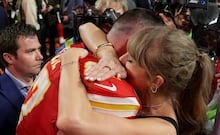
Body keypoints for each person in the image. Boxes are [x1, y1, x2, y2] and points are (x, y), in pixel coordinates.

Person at [16, 8, 164, 134]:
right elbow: (71, 122)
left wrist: (106, 51)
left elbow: (87, 27)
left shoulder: (75, 49)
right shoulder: (116, 89)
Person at [57, 26, 212, 135]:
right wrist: (108, 54)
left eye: (130, 60)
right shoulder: (150, 89)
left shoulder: (162, 129)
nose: (121, 60)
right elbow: (87, 27)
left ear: (155, 82)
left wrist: (69, 61)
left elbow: (71, 121)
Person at [0, 24, 43, 135]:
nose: (40, 56)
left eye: (39, 49)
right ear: (9, 58)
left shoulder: (47, 76)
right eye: (30, 51)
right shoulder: (3, 103)